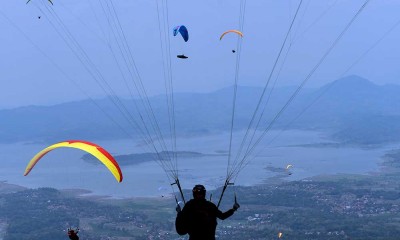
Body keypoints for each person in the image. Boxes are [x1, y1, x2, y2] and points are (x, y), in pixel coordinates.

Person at [175, 184, 240, 240]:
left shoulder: (189, 205)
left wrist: (179, 213)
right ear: (204, 194)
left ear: (194, 194)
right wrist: (234, 209)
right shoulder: (210, 206)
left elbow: (181, 230)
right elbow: (222, 216)